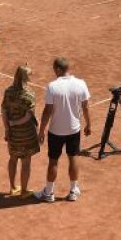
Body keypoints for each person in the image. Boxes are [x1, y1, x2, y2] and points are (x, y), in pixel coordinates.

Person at [35, 57, 91, 203]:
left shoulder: (52, 86)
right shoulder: (81, 83)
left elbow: (47, 111)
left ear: (59, 69)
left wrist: (41, 131)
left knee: (53, 161)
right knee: (73, 158)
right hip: (74, 130)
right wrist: (88, 124)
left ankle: (49, 193)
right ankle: (73, 191)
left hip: (56, 131)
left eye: (54, 69)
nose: (54, 72)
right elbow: (85, 106)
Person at [0, 65, 40, 197]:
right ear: (25, 77)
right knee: (26, 162)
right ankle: (24, 191)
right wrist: (15, 123)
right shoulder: (30, 94)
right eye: (29, 75)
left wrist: (7, 128)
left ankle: (12, 187)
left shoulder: (8, 92)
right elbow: (29, 116)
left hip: (12, 134)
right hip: (27, 134)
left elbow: (4, 111)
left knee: (13, 158)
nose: (31, 76)